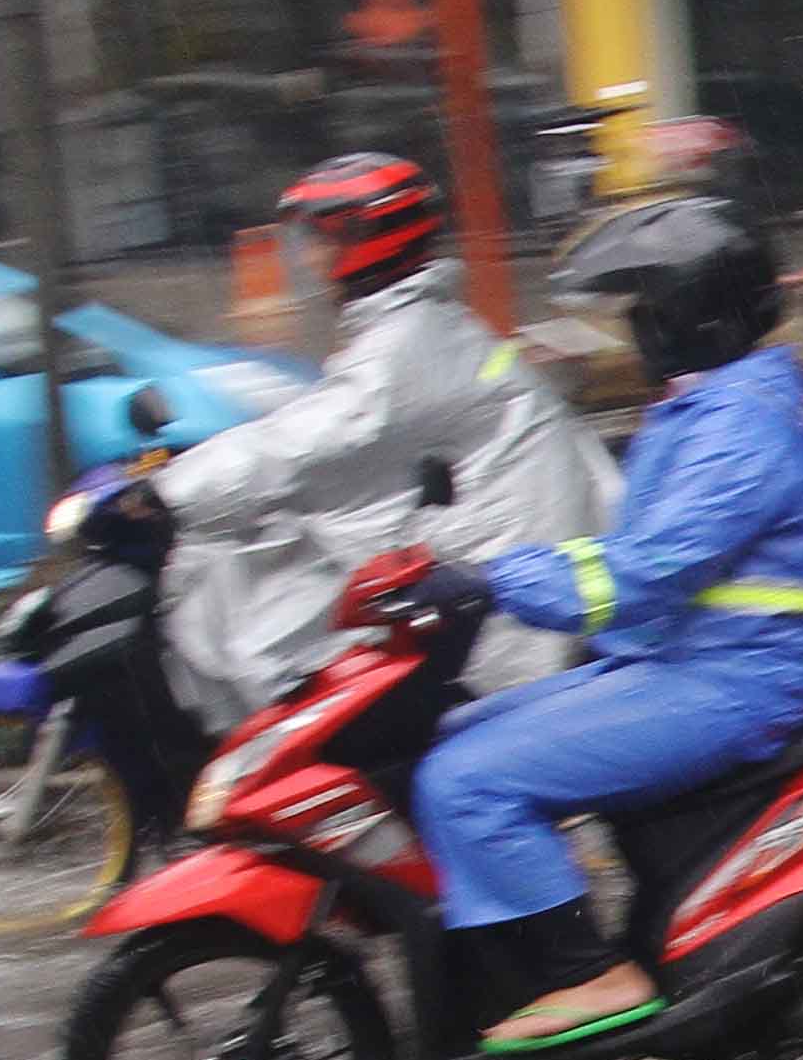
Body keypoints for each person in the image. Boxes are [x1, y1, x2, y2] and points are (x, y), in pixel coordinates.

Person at [407, 196, 803, 1053]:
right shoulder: (706, 409)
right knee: (449, 735)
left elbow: (643, 573)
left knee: (467, 780)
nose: (634, 331)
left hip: (733, 683)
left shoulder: (739, 432)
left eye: (645, 310)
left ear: (690, 313)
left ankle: (593, 976)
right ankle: (520, 954)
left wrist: (493, 580)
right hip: (681, 664)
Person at [144, 152, 613, 734]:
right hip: (497, 553)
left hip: (507, 592)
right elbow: (323, 421)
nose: (305, 256)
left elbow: (299, 447)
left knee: (280, 610)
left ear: (362, 239)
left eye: (316, 237)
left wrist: (165, 493)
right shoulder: (415, 327)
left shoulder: (408, 344)